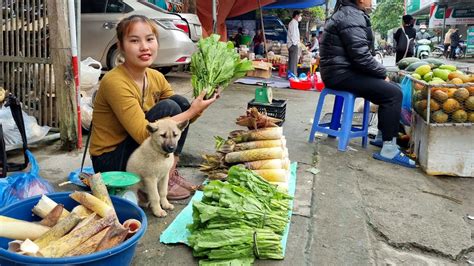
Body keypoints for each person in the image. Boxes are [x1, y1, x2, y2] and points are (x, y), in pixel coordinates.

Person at [89, 15, 219, 200]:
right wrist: (191, 112)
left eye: (150, 39)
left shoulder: (154, 76)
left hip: (138, 152)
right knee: (169, 108)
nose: (144, 47)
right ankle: (150, 184)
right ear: (121, 46)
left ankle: (168, 173)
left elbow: (182, 119)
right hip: (111, 161)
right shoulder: (114, 82)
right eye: (134, 41)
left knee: (180, 103)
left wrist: (199, 106)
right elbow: (144, 134)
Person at [319, 0, 415, 168]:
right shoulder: (351, 16)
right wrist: (382, 73)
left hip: (340, 72)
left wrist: (380, 75)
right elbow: (361, 57)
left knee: (393, 88)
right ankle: (389, 149)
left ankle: (382, 137)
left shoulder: (349, 13)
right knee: (393, 94)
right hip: (341, 74)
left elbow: (359, 55)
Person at [287, 10, 302, 76]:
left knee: (291, 61)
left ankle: (290, 75)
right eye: (300, 15)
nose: (300, 17)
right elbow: (293, 34)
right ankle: (293, 76)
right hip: (293, 44)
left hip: (292, 44)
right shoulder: (293, 23)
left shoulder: (294, 23)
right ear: (296, 16)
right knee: (293, 62)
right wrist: (295, 43)